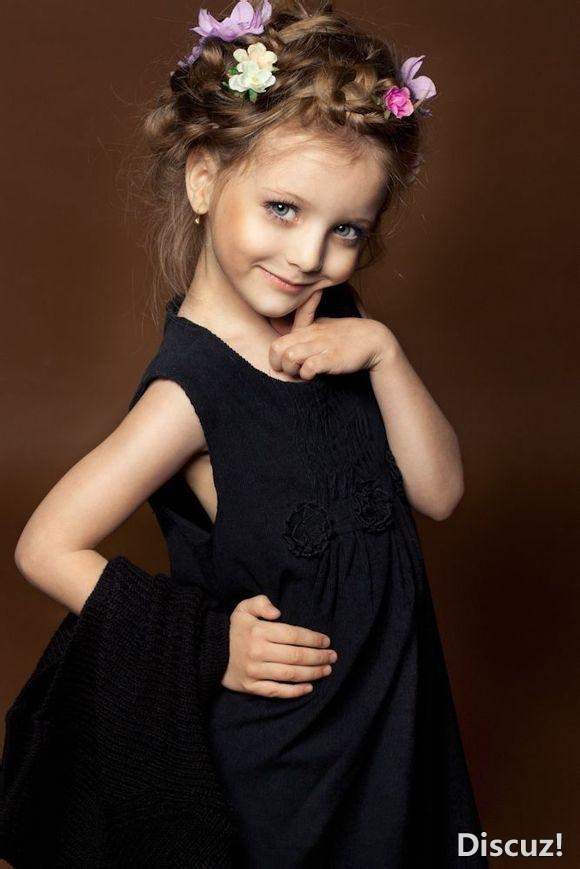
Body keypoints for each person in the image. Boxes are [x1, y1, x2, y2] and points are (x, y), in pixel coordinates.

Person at [7, 0, 488, 866]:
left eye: (346, 230)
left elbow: (441, 492)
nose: (309, 256)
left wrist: (383, 353)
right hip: (285, 769)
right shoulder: (189, 394)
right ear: (204, 179)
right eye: (282, 208)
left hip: (385, 734)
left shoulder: (341, 326)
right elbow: (46, 545)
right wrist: (209, 641)